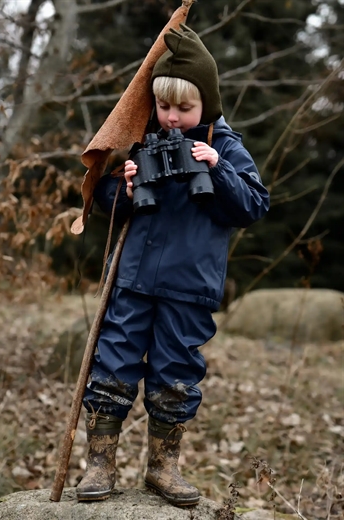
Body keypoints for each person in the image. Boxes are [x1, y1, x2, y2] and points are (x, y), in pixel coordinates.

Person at [76, 24, 270, 506]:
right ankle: (100, 461)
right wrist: (121, 185)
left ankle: (163, 466)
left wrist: (217, 169)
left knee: (177, 372)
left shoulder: (227, 147)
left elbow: (253, 206)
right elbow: (107, 202)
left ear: (209, 102)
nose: (173, 118)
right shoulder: (144, 140)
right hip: (134, 279)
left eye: (185, 108)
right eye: (164, 107)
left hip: (190, 287)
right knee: (113, 363)